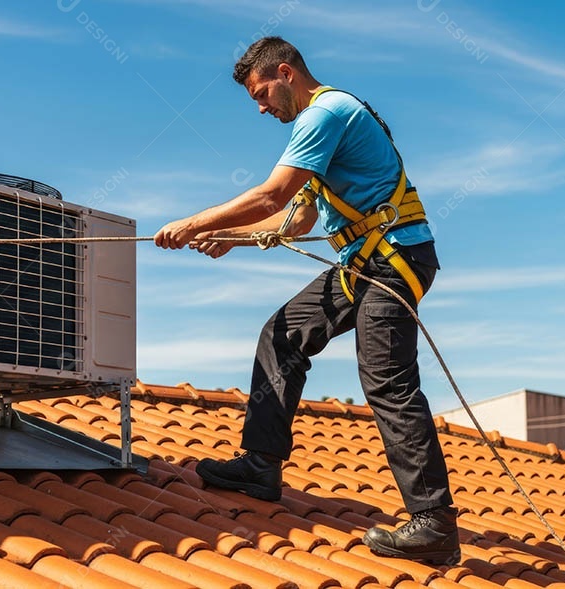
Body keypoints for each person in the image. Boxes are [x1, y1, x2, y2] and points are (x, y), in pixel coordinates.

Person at [154, 37, 458, 565]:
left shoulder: (326, 113)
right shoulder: (321, 128)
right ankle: (261, 465)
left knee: (386, 377)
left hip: (393, 258)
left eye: (261, 94)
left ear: (286, 73)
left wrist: (195, 221)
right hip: (362, 264)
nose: (261, 107)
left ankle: (432, 523)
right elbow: (295, 219)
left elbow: (272, 195)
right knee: (282, 334)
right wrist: (232, 238)